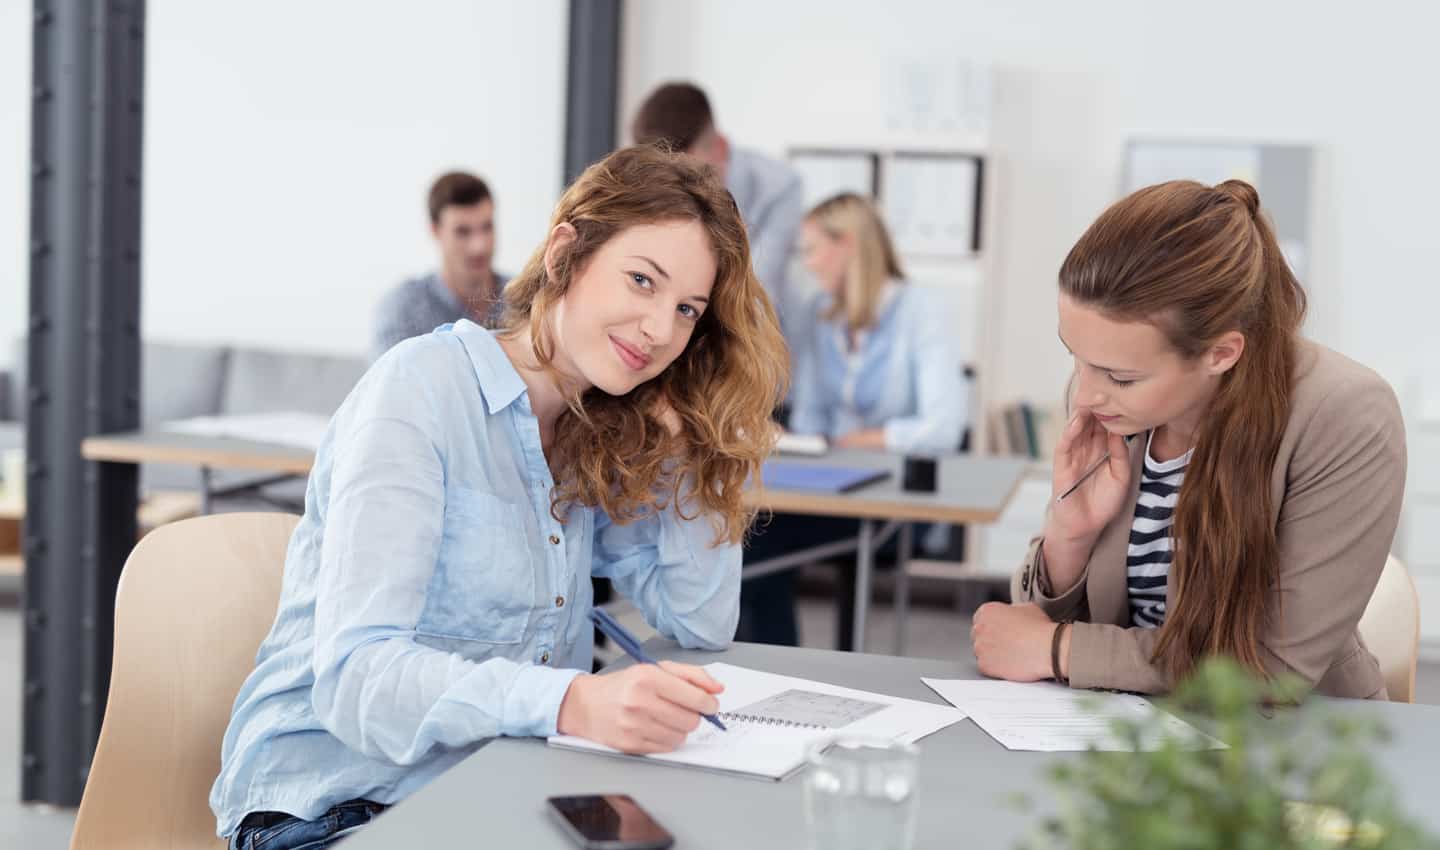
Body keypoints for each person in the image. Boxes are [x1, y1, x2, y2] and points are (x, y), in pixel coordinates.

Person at [211, 145, 789, 849]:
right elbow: (358, 680)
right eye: (642, 280)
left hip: (500, 794)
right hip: (337, 807)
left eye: (687, 310)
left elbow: (701, 619)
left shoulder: (598, 432)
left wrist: (688, 443)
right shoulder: (419, 391)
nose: (661, 330)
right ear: (565, 254)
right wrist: (573, 702)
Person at [973, 179, 1404, 698]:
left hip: (1289, 736)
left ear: (1221, 353)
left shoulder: (1345, 414)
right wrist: (1069, 536)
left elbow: (1271, 668)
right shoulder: (1107, 404)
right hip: (1120, 724)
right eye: (1076, 357)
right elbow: (1030, 628)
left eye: (1120, 377)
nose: (1084, 394)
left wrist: (1058, 648)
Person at [739, 193, 968, 648]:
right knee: (746, 536)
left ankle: (773, 663)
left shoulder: (921, 309)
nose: (807, 264)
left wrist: (859, 441)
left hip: (895, 501)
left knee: (757, 545)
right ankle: (770, 663)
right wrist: (791, 438)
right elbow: (811, 419)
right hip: (831, 490)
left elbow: (944, 427)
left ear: (847, 245)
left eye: (812, 250)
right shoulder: (820, 316)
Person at [631, 82, 804, 333]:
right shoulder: (648, 183)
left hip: (756, 333)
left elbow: (755, 296)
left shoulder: (779, 188)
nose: (679, 188)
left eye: (688, 173)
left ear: (720, 147)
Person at [371, 171, 509, 359]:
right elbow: (392, 377)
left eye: (487, 227)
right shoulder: (402, 310)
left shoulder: (526, 301)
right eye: (462, 232)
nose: (479, 246)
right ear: (435, 231)